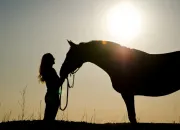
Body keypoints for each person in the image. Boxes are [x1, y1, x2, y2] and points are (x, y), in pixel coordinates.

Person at [38, 53, 64, 121]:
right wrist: (63, 78)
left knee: (48, 118)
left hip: (50, 95)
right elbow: (57, 83)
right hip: (53, 96)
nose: (54, 59)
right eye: (52, 58)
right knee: (50, 119)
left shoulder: (47, 71)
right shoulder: (51, 71)